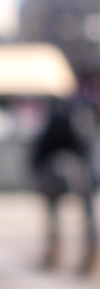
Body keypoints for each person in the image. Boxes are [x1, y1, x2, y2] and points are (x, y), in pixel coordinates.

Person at [30, 96, 98, 274]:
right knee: (82, 213)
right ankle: (61, 252)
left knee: (61, 211)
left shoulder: (65, 116)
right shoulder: (72, 117)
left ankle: (64, 252)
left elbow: (40, 149)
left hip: (72, 167)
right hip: (71, 166)